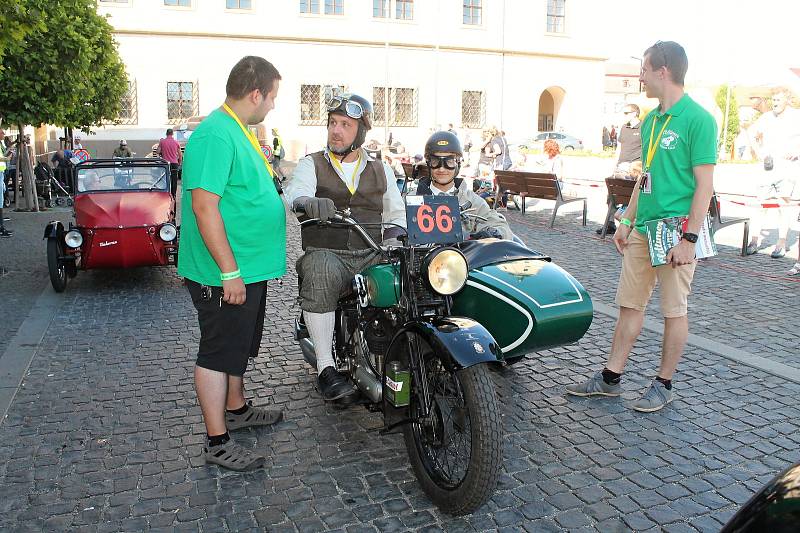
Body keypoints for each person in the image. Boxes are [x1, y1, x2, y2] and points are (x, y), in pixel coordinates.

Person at [566, 41, 717, 412]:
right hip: (642, 230)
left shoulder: (698, 120)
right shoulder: (651, 120)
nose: (641, 78)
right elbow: (644, 177)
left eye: (644, 70)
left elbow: (705, 186)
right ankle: (610, 378)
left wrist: (689, 239)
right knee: (629, 306)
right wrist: (627, 220)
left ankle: (664, 383)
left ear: (662, 71)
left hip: (676, 232)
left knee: (673, 310)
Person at [177, 56, 285, 471]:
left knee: (239, 345)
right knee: (218, 352)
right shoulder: (216, 135)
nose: (273, 105)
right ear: (255, 93)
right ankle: (216, 439)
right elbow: (205, 208)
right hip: (222, 273)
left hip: (246, 268)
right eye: (272, 96)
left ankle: (237, 410)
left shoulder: (238, 129)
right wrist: (229, 272)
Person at [284, 92, 405, 403]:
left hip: (371, 252)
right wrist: (306, 201)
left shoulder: (382, 169)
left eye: (345, 125)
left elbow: (395, 212)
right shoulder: (312, 164)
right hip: (330, 254)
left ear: (360, 132)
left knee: (409, 276)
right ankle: (326, 367)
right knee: (319, 268)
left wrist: (395, 237)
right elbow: (293, 193)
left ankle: (402, 354)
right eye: (333, 124)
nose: (336, 131)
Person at [415, 131, 512, 240]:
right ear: (428, 163)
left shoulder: (473, 202)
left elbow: (499, 225)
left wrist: (493, 233)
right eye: (435, 161)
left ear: (458, 163)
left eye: (449, 161)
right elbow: (396, 223)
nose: (442, 168)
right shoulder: (411, 199)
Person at [744, 87, 800, 258]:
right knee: (761, 205)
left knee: (784, 205)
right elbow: (750, 132)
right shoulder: (766, 118)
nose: (775, 103)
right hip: (767, 169)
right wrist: (758, 151)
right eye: (773, 100)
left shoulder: (796, 116)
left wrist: (797, 151)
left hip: (787, 169)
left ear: (787, 100)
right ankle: (753, 241)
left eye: (778, 100)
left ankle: (781, 244)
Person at [598, 104, 643, 234]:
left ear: (635, 113)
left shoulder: (643, 127)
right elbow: (619, 147)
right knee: (612, 195)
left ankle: (630, 225)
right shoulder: (624, 128)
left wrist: (638, 167)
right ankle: (610, 223)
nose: (623, 116)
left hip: (633, 169)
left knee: (630, 197)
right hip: (620, 167)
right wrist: (614, 166)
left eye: (626, 113)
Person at [158, 128, 183, 199]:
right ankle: (173, 195)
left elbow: (158, 151)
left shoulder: (162, 142)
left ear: (166, 134)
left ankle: (165, 194)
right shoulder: (176, 142)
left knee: (164, 179)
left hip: (165, 164)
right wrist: (179, 163)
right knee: (174, 180)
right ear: (172, 134)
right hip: (174, 163)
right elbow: (180, 155)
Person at [0, 130, 12, 238]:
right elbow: (1, 157)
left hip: (1, 173)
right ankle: (1, 228)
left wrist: (8, 151)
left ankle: (1, 226)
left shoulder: (1, 145)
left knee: (1, 198)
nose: (4, 134)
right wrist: (7, 158)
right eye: (2, 132)